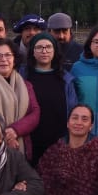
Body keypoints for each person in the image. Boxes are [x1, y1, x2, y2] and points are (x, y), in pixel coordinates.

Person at [22, 31, 78, 166]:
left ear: (54, 51)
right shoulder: (22, 76)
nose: (44, 51)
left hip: (58, 143)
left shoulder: (66, 79)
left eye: (48, 47)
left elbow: (73, 109)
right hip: (29, 142)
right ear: (32, 52)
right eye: (39, 47)